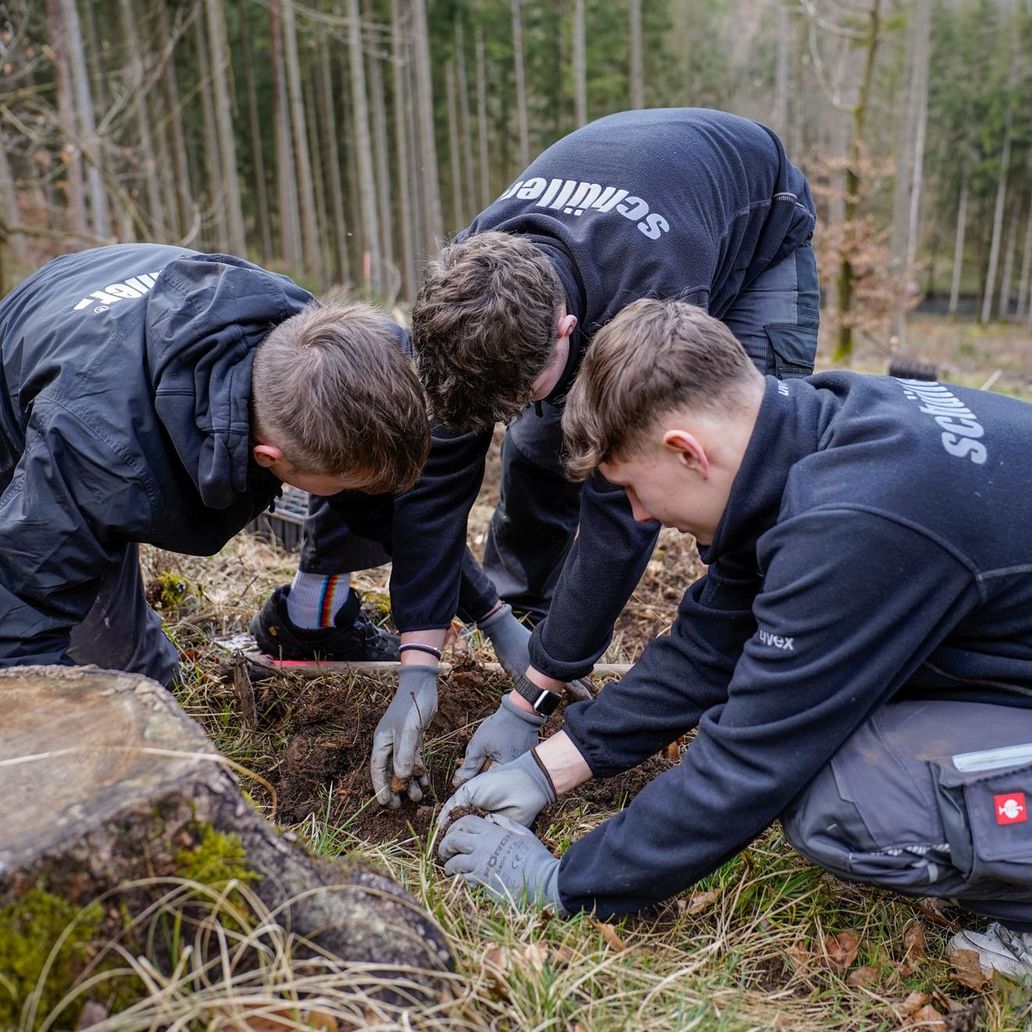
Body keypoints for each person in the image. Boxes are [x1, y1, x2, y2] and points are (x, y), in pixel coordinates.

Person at [437, 298, 1032, 982]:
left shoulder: (857, 520)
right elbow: (713, 642)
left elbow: (753, 759)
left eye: (630, 488)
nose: (638, 515)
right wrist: (548, 768)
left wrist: (565, 885)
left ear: (685, 452)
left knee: (844, 795)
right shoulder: (815, 425)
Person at [252, 107, 820, 803]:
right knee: (535, 444)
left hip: (753, 232)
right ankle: (521, 613)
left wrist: (535, 698)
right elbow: (437, 479)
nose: (516, 410)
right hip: (630, 210)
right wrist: (419, 659)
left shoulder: (648, 287)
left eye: (529, 389)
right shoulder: (468, 287)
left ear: (565, 332)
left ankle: (764, 664)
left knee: (747, 472)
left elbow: (625, 515)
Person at [0, 243, 429, 687]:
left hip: (89, 329)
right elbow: (20, 608)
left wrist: (485, 617)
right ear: (269, 458)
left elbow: (390, 504)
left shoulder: (312, 343)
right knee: (124, 680)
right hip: (28, 404)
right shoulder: (100, 457)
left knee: (137, 668)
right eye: (340, 485)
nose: (348, 494)